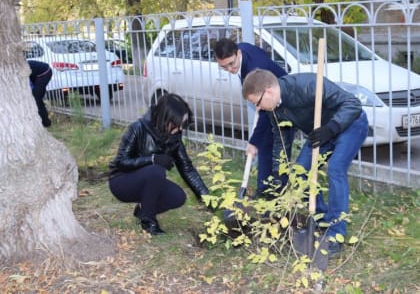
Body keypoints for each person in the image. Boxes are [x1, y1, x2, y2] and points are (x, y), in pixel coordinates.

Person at [242, 69, 369, 254]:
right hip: (320, 133)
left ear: (268, 91)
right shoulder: (273, 109)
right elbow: (281, 140)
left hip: (349, 125)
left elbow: (352, 104)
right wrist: (279, 174)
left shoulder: (307, 85)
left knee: (335, 169)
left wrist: (332, 128)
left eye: (257, 103)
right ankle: (321, 218)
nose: (258, 108)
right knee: (300, 172)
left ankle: (336, 233)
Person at [108, 93, 209, 235]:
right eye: (177, 124)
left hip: (149, 181)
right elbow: (120, 163)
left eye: (183, 125)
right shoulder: (138, 128)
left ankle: (143, 210)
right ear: (165, 117)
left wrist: (206, 197)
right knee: (157, 171)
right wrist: (152, 159)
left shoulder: (174, 136)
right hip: (122, 181)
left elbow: (187, 168)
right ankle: (148, 222)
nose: (180, 129)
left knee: (178, 197)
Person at [213, 38, 294, 198]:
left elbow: (264, 116)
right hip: (268, 100)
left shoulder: (254, 68)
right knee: (265, 148)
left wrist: (253, 142)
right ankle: (263, 193)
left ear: (239, 53)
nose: (229, 69)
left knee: (279, 154)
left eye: (231, 63)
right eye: (224, 67)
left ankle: (276, 198)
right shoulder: (241, 50)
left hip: (286, 104)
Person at [28, 60, 53, 127]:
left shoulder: (24, 66)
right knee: (37, 97)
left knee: (36, 98)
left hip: (45, 73)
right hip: (38, 76)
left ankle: (46, 122)